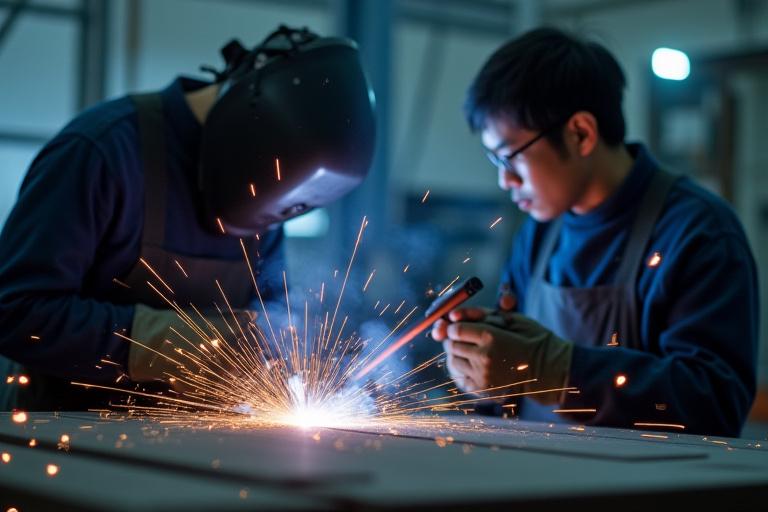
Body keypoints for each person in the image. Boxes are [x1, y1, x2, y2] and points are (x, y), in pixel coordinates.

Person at [0, 25, 376, 410]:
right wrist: (183, 346)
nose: (269, 222)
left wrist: (290, 356)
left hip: (193, 452)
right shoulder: (102, 152)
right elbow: (14, 312)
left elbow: (269, 322)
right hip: (65, 443)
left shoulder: (270, 186)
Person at [432, 27, 758, 437]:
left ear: (581, 133)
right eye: (494, 161)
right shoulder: (538, 236)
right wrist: (481, 366)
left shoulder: (698, 232)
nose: (505, 180)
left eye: (509, 156)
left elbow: (713, 403)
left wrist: (560, 373)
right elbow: (514, 398)